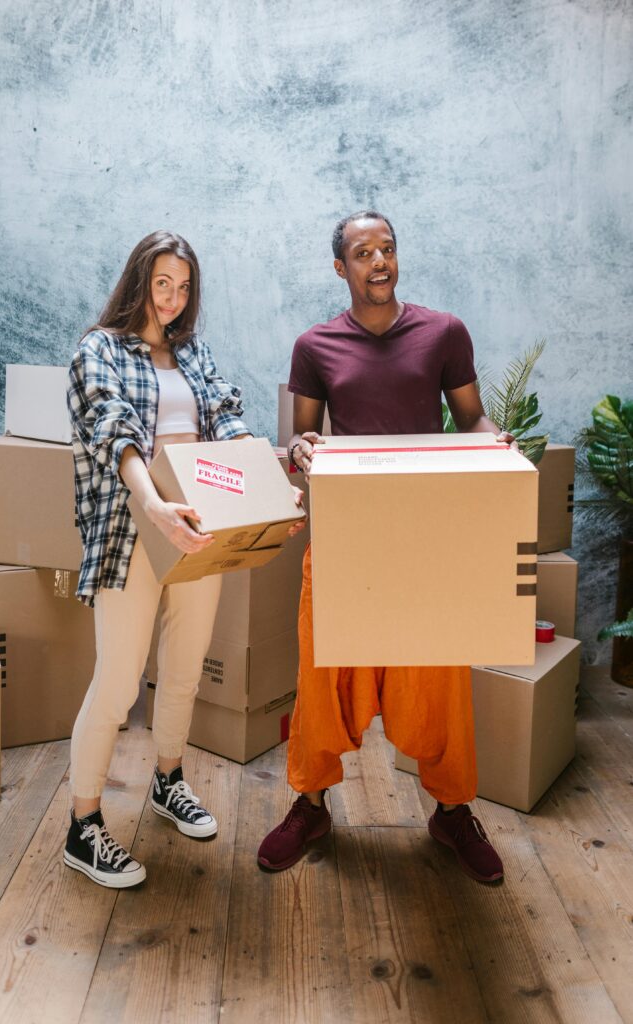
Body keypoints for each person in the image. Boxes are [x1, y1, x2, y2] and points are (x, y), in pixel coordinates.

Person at [257, 211, 514, 883]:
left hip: (424, 538)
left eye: (388, 249)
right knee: (322, 676)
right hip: (345, 537)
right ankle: (311, 804)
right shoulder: (314, 345)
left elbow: (471, 418)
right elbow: (300, 439)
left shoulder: (443, 332)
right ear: (340, 267)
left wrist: (493, 440)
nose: (379, 261)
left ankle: (452, 810)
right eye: (363, 252)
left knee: (438, 680)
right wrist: (300, 449)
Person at [64, 230, 255, 888]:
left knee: (182, 671)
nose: (172, 299)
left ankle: (167, 781)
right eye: (161, 284)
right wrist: (154, 507)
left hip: (197, 528)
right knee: (118, 683)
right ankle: (83, 826)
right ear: (138, 281)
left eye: (183, 287)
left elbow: (225, 417)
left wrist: (264, 485)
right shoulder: (99, 350)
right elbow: (114, 431)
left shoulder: (192, 352)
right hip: (132, 529)